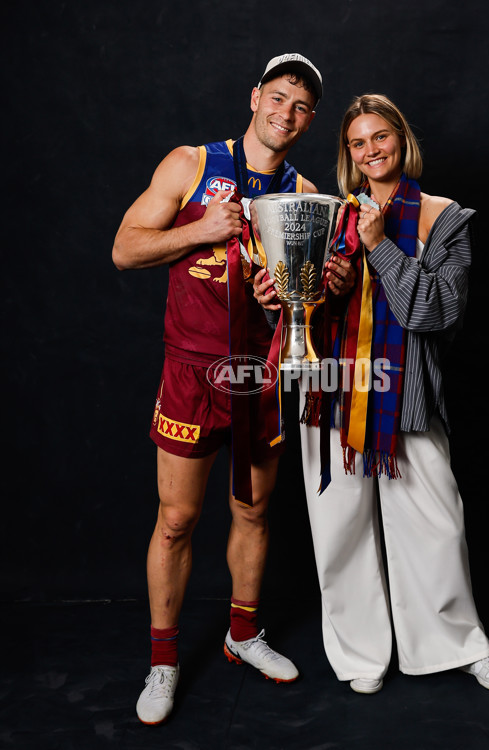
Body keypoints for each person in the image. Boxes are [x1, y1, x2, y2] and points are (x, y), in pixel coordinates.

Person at [255, 93, 489, 696]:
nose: (370, 150)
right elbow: (299, 316)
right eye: (357, 142)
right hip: (333, 393)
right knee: (339, 528)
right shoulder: (328, 214)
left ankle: (462, 646)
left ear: (401, 138)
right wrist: (298, 294)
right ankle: (360, 654)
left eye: (380, 137)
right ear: (347, 153)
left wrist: (379, 246)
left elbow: (433, 310)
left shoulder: (442, 217)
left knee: (436, 524)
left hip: (410, 396)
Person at [112, 53, 326, 726]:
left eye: (300, 107)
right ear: (256, 95)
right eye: (279, 97)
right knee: (176, 520)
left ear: (308, 120)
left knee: (256, 515)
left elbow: (305, 306)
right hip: (190, 369)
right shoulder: (192, 164)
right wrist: (202, 229)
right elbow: (124, 248)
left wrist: (286, 301)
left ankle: (242, 635)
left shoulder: (304, 193)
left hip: (257, 373)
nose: (285, 113)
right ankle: (165, 661)